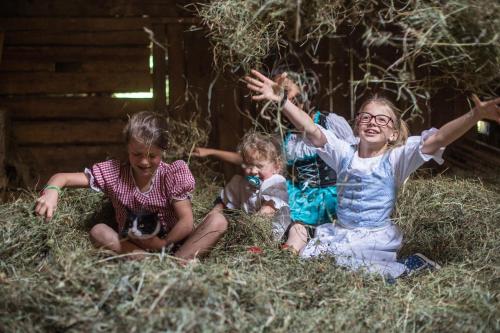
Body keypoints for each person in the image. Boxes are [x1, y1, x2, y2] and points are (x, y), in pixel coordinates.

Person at [245, 69, 500, 278]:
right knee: (312, 262)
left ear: (392, 134)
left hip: (373, 236)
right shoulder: (344, 152)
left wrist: (474, 115)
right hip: (341, 230)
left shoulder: (396, 158)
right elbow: (311, 129)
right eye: (366, 117)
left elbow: (439, 138)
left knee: (357, 271)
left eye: (382, 120)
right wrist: (283, 101)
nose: (372, 122)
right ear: (357, 125)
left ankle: (411, 265)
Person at [190, 69, 356, 253]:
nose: (281, 95)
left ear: (304, 88)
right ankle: (270, 247)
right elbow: (253, 160)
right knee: (281, 210)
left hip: (331, 193)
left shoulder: (329, 122)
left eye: (285, 89)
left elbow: (351, 156)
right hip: (302, 195)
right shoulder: (285, 136)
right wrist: (211, 151)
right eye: (276, 91)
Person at [35, 111, 195, 259]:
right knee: (98, 231)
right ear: (128, 149)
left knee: (218, 222)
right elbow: (63, 177)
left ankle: (176, 260)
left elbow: (186, 221)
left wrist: (163, 243)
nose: (144, 162)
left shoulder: (172, 175)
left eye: (152, 155)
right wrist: (51, 191)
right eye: (137, 154)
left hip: (173, 243)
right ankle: (152, 263)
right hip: (133, 246)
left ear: (163, 151)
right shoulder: (115, 174)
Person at [174, 131, 290, 260]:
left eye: (259, 166)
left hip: (264, 236)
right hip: (242, 230)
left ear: (277, 167)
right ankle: (185, 252)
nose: (253, 171)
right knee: (216, 221)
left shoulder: (275, 184)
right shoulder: (241, 183)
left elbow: (266, 213)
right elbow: (222, 204)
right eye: (248, 165)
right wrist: (207, 219)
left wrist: (243, 226)